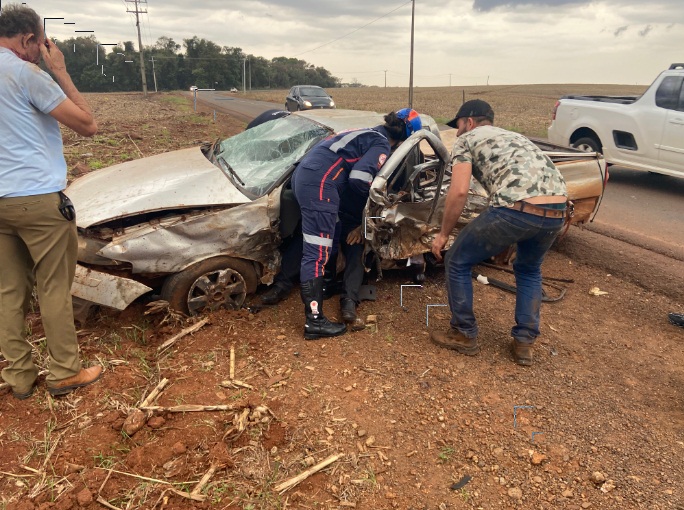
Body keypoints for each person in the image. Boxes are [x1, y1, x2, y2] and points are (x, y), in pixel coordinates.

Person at [0, 4, 101, 399]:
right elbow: (88, 124)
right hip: (37, 200)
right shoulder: (27, 73)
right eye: (40, 43)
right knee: (54, 288)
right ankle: (63, 373)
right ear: (28, 39)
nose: (41, 50)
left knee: (9, 292)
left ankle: (19, 378)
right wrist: (58, 69)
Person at [430, 99, 567, 366]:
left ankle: (463, 334)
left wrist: (444, 234)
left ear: (469, 122)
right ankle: (524, 342)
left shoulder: (466, 140)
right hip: (557, 211)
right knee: (529, 270)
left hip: (516, 208)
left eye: (458, 125)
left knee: (457, 260)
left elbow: (458, 191)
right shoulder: (514, 137)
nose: (457, 131)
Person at [292, 108, 422, 340]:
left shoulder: (368, 133)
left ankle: (327, 285)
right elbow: (359, 179)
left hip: (306, 176)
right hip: (321, 185)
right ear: (403, 139)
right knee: (317, 252)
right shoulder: (382, 144)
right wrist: (378, 204)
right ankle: (314, 321)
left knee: (330, 235)